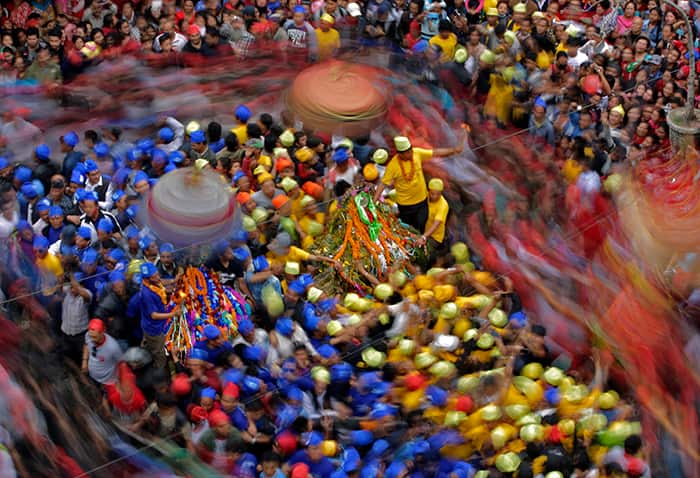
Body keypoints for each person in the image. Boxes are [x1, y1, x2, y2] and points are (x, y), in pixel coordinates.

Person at [374, 135, 463, 232]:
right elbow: (383, 184)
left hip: (422, 202)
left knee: (420, 226)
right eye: (407, 152)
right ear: (400, 154)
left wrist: (453, 150)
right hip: (405, 206)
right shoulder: (393, 166)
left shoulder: (417, 153)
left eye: (411, 150)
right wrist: (374, 201)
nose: (411, 153)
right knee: (407, 229)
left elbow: (435, 152)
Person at [138, 262, 178, 369]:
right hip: (154, 329)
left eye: (157, 273)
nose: (158, 277)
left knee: (149, 344)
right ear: (147, 279)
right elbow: (154, 315)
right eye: (154, 276)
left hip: (156, 324)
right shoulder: (147, 294)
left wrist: (173, 281)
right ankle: (160, 371)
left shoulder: (153, 282)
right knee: (159, 353)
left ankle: (146, 346)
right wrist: (173, 314)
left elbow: (161, 282)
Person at [82, 318, 123, 385]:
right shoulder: (88, 335)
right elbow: (86, 345)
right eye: (91, 336)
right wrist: (84, 361)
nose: (92, 340)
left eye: (95, 337)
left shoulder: (113, 347)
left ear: (103, 332)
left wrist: (119, 381)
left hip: (107, 381)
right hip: (92, 374)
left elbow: (122, 363)